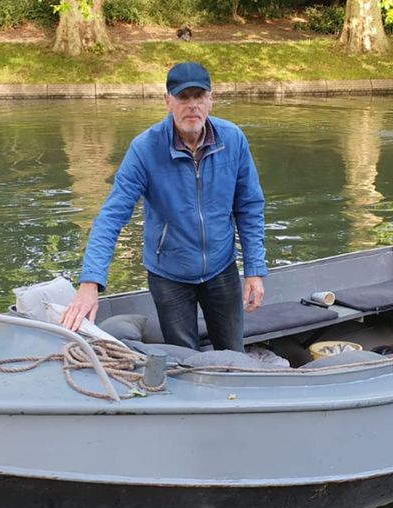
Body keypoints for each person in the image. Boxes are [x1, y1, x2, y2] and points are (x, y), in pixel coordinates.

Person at [60, 62, 267, 352]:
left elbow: (249, 208)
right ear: (168, 101)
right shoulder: (145, 149)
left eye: (199, 96)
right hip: (169, 275)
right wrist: (90, 283)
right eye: (183, 97)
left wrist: (255, 269)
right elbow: (112, 217)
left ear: (211, 99)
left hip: (222, 269)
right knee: (183, 356)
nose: (192, 106)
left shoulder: (233, 140)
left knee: (233, 353)